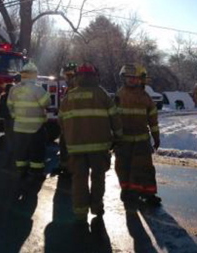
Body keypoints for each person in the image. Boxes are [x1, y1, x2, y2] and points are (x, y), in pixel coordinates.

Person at [59, 64, 122, 222]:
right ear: (95, 76)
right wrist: (118, 136)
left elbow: (61, 121)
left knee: (79, 178)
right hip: (99, 146)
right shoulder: (101, 94)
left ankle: (80, 212)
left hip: (76, 146)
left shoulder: (69, 96)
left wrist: (70, 136)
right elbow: (114, 116)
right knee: (98, 177)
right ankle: (96, 207)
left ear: (77, 77)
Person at [114, 64, 162, 205]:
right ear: (123, 78)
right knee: (123, 167)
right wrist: (112, 138)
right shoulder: (119, 96)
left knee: (145, 168)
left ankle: (148, 194)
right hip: (123, 142)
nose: (132, 81)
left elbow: (153, 120)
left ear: (141, 80)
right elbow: (112, 119)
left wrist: (156, 136)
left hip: (141, 142)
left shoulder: (146, 98)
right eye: (129, 78)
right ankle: (127, 191)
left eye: (135, 79)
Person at [8, 62, 51, 186]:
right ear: (34, 75)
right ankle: (36, 174)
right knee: (37, 151)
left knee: (21, 151)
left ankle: (21, 171)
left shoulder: (13, 89)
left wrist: (16, 117)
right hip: (35, 127)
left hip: (19, 126)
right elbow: (46, 103)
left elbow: (9, 106)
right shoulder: (37, 89)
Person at [53, 61, 78, 179]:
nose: (66, 78)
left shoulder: (76, 87)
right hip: (68, 123)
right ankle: (64, 166)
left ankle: (70, 168)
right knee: (63, 144)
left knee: (68, 146)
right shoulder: (71, 87)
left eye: (67, 76)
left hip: (73, 124)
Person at [0, 83, 15, 167]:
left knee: (8, 137)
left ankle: (8, 157)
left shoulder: (3, 96)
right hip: (14, 119)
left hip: (6, 119)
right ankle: (13, 156)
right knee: (15, 137)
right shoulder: (15, 97)